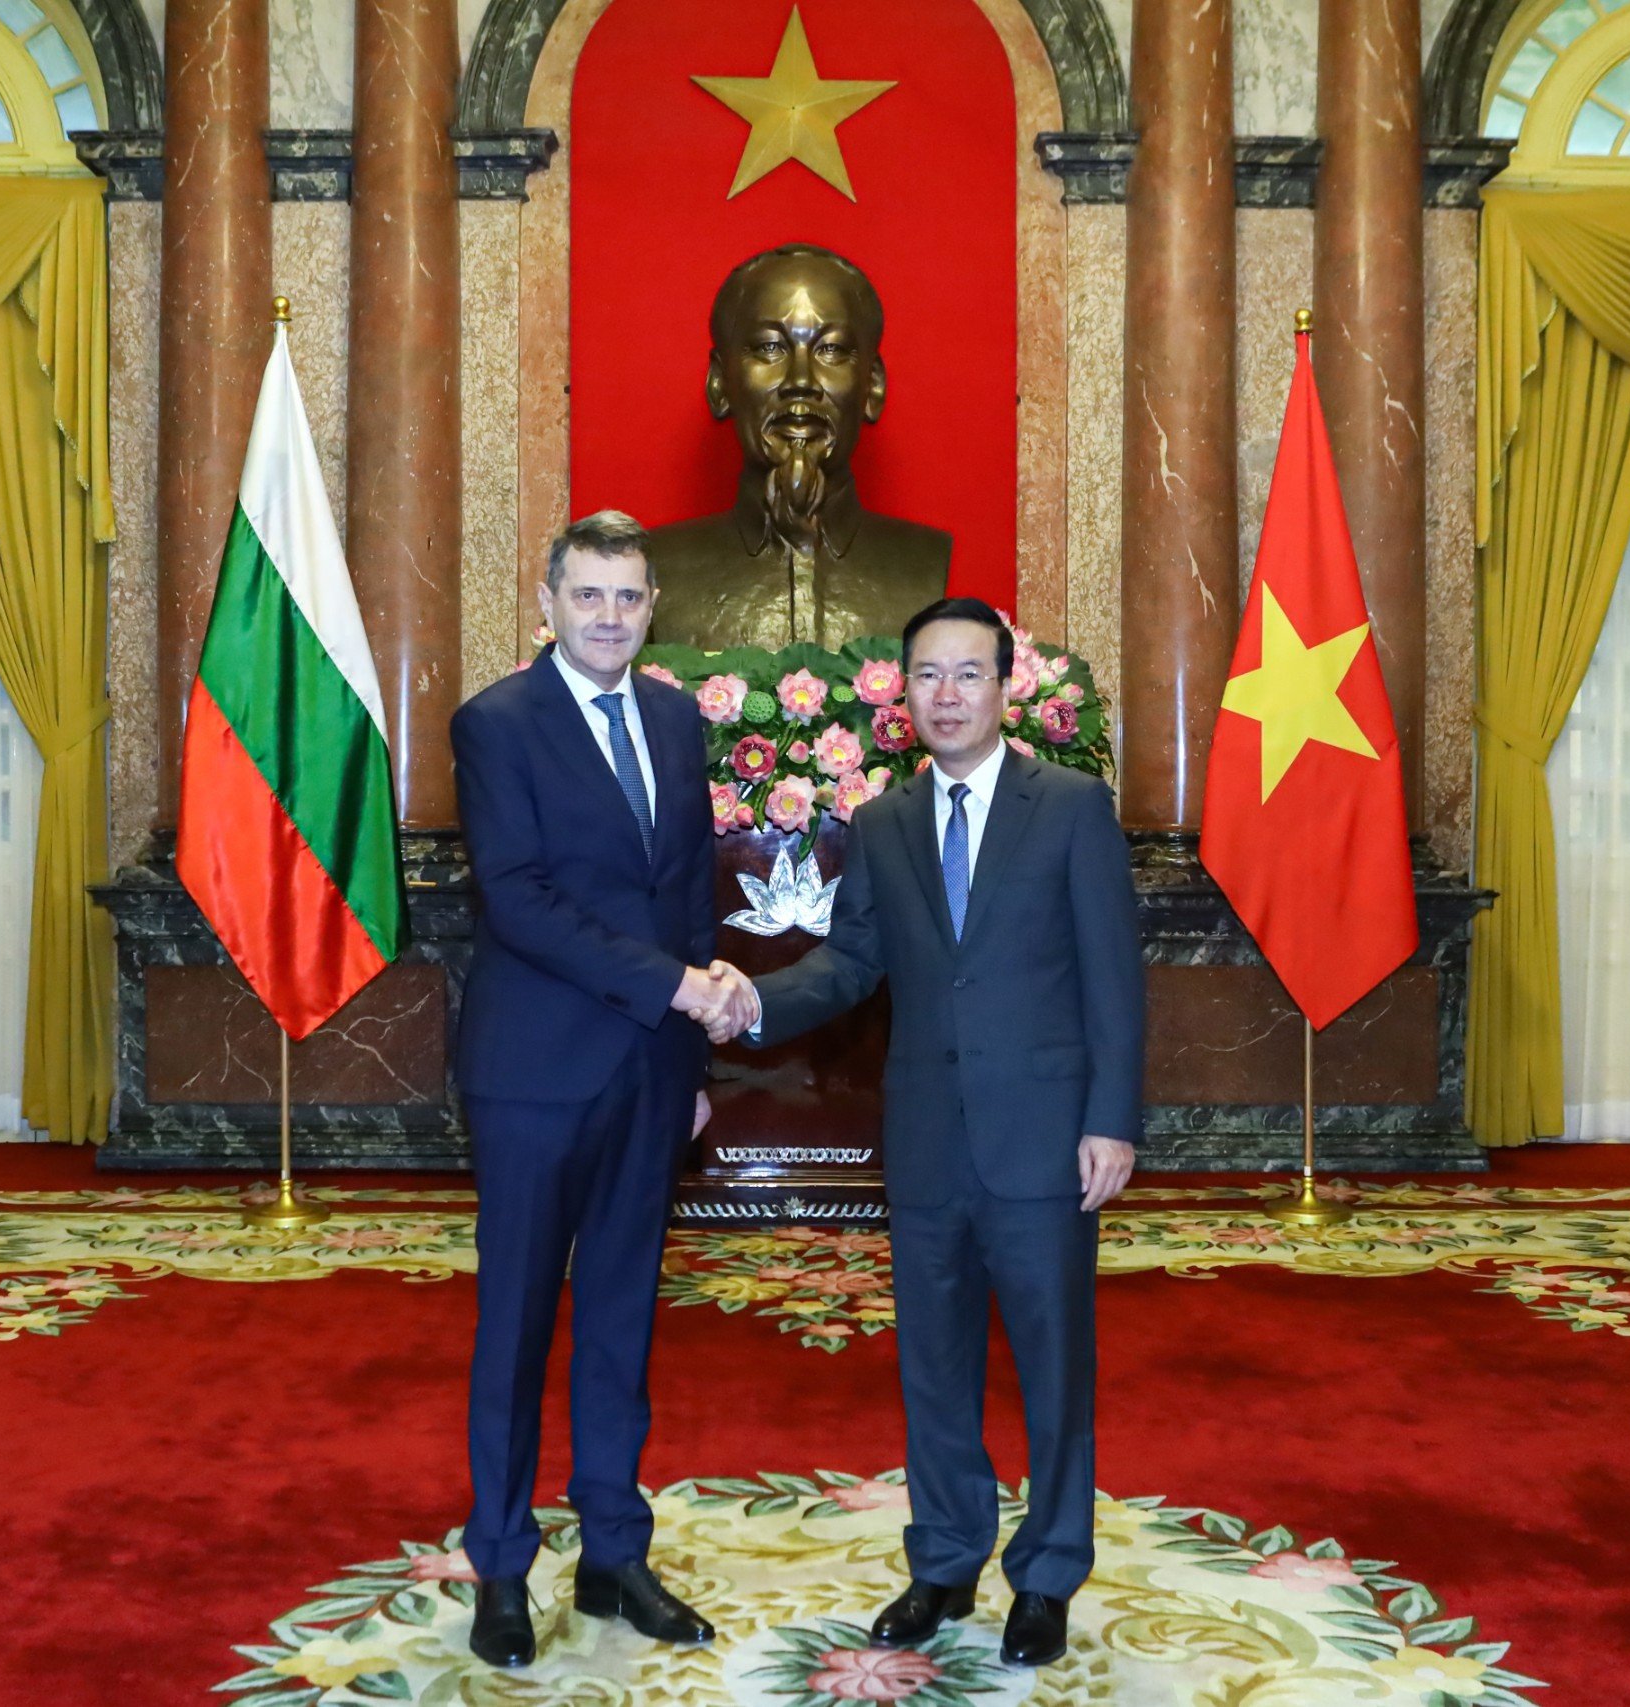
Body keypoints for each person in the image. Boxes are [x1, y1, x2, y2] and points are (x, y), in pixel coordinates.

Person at [702, 596, 1144, 1669]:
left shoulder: (1071, 806)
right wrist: (748, 999)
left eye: (968, 674)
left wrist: (1111, 1120)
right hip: (928, 1144)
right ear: (903, 695)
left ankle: (1047, 1573)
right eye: (928, 676)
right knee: (935, 1366)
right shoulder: (885, 822)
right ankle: (944, 1560)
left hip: (1044, 1137)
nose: (947, 695)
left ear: (1005, 688)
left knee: (1053, 1368)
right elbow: (852, 962)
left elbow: (1113, 976)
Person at [449, 510, 744, 1669]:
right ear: (548, 603)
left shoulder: (672, 717)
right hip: (534, 1073)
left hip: (651, 1069)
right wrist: (676, 986)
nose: (609, 617)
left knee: (622, 1320)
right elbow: (517, 898)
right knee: (518, 1326)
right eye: (588, 595)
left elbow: (686, 888)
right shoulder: (496, 723)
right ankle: (501, 1567)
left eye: (627, 597)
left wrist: (696, 1056)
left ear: (651, 606)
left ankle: (615, 1554)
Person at [646, 243, 950, 650]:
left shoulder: (922, 564)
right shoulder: (657, 567)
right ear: (719, 383)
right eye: (770, 347)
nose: (801, 381)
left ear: (873, 386)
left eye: (831, 349)